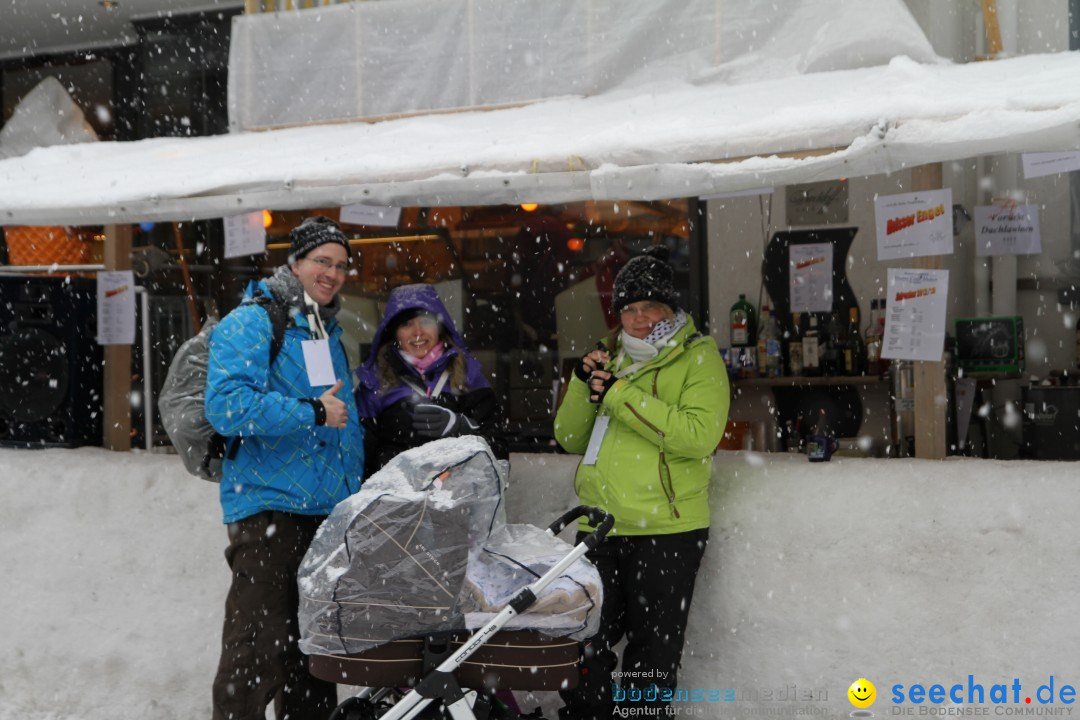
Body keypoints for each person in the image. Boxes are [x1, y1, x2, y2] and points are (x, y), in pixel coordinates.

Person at [553, 245, 730, 720]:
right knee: (581, 645)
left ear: (670, 309)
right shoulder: (609, 356)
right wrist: (580, 383)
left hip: (667, 530)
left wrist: (617, 393)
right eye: (628, 309)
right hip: (602, 528)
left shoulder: (698, 358)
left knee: (651, 661)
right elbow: (569, 437)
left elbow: (697, 436)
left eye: (649, 307)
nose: (637, 319)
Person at [206, 215, 364, 720]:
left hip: (322, 516)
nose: (333, 273)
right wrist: (311, 412)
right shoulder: (254, 321)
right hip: (270, 509)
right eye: (322, 261)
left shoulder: (327, 332)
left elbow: (345, 427)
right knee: (255, 651)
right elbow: (227, 405)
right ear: (295, 262)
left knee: (312, 659)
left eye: (341, 265)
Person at [355, 283, 505, 477]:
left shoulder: (469, 377)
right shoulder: (374, 382)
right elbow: (358, 458)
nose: (418, 332)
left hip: (459, 501)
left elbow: (498, 453)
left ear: (440, 327)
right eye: (407, 324)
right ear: (394, 333)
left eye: (426, 321)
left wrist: (461, 428)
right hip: (397, 502)